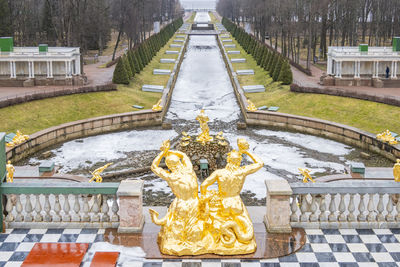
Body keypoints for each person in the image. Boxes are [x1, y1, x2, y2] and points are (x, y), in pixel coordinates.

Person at [149, 140, 206, 255]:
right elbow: (183, 155)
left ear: (169, 166)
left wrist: (163, 153)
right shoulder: (189, 169)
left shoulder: (170, 177)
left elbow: (154, 167)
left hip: (182, 204)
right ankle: (192, 242)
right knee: (192, 225)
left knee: (179, 226)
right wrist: (169, 151)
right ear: (179, 162)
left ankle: (178, 242)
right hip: (195, 202)